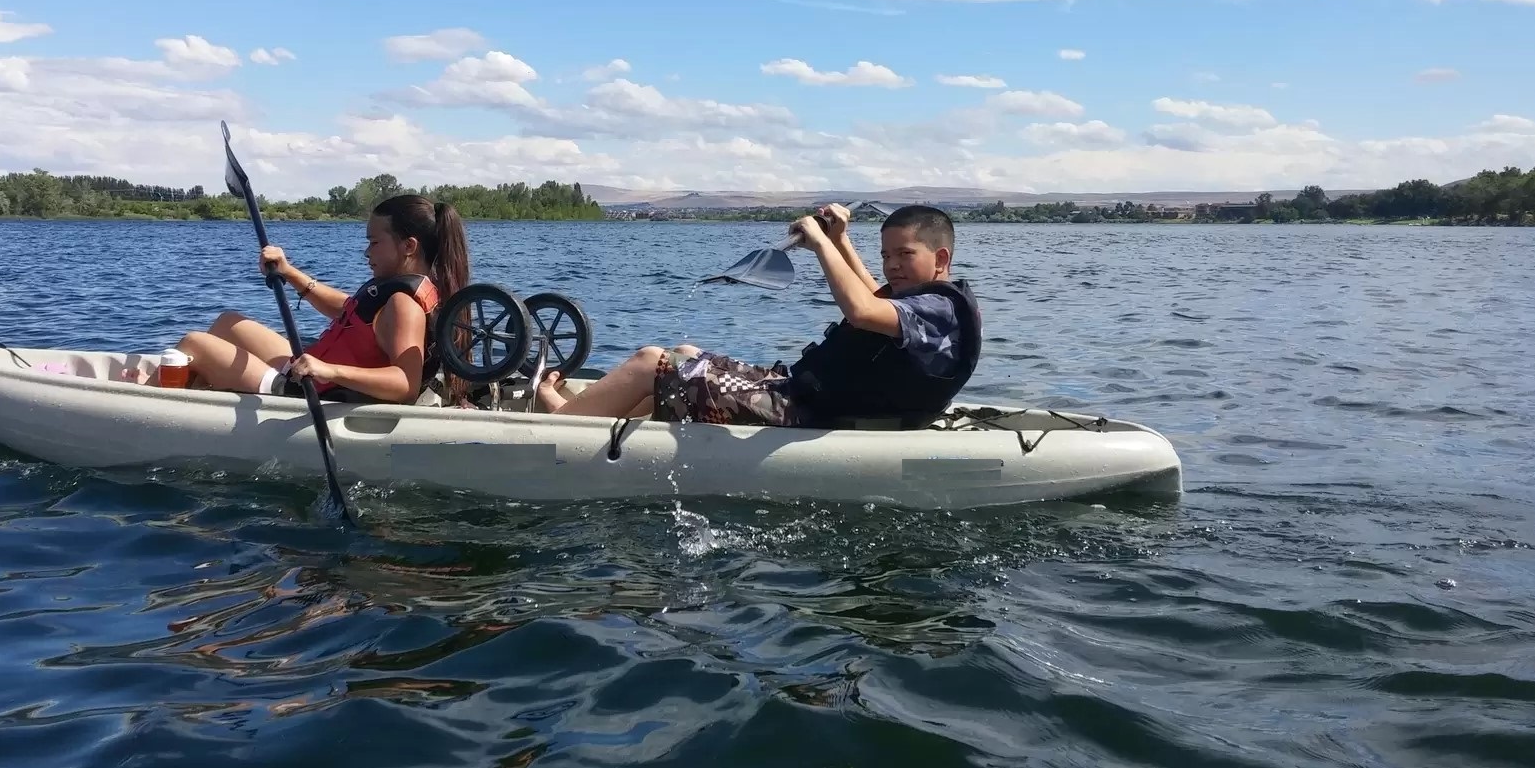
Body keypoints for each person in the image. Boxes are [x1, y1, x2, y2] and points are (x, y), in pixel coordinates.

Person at [535, 203, 981, 428]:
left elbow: (862, 309)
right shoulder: (925, 303)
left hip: (808, 413)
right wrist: (842, 239)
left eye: (905, 254)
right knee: (684, 356)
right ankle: (588, 423)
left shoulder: (940, 309)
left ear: (940, 259)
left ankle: (556, 429)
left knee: (654, 361)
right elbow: (873, 295)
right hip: (805, 396)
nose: (892, 265)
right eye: (887, 255)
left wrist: (820, 244)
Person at [169, 194, 470, 404]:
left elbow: (405, 384)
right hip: (310, 373)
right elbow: (349, 311)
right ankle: (204, 389)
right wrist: (289, 273)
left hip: (308, 392)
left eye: (374, 242)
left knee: (195, 342)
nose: (367, 252)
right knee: (228, 323)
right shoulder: (396, 291)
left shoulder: (404, 304)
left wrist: (327, 370)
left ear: (408, 246)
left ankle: (161, 396)